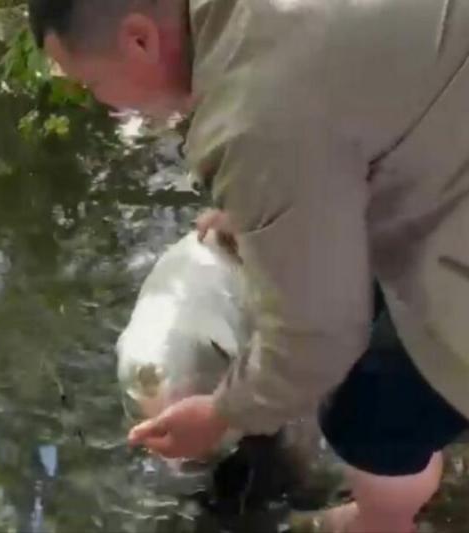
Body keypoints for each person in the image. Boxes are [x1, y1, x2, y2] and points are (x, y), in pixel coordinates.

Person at [27, 0, 469, 531]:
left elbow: (320, 339)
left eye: (94, 84)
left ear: (139, 41)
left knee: (367, 413)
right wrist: (275, 215)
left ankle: (382, 521)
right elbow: (362, 111)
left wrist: (221, 415)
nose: (107, 107)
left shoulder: (251, 116)